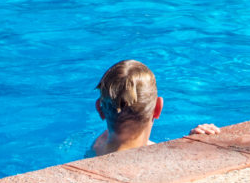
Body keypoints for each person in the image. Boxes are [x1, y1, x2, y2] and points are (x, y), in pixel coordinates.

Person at [87, 59, 221, 155]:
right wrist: (191, 147)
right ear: (158, 108)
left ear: (99, 109)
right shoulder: (160, 157)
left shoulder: (98, 145)